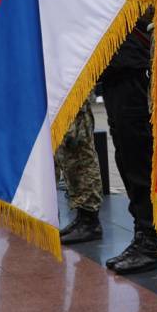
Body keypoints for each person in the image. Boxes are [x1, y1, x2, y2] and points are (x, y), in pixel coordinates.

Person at [101, 14, 157, 274]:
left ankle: (151, 238)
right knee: (125, 156)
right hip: (113, 65)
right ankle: (143, 233)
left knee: (138, 156)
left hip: (132, 63)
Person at [55, 98, 105, 244]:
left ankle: (90, 222)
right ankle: (82, 218)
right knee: (68, 155)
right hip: (58, 97)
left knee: (79, 152)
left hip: (69, 96)